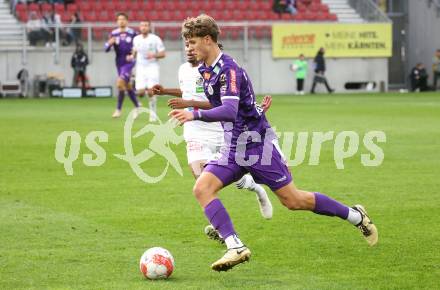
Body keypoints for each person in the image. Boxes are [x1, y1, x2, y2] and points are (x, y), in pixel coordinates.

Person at [169, 14, 378, 272]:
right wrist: (235, 106)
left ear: (208, 40)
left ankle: (355, 215)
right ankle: (235, 246)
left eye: (192, 42)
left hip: (258, 146)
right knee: (202, 188)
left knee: (293, 201)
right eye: (186, 43)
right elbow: (222, 104)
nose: (188, 48)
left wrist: (194, 113)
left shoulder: (229, 69)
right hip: (234, 147)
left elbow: (229, 111)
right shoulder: (206, 70)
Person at [152, 41, 273, 227]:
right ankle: (219, 225)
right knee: (201, 179)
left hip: (219, 128)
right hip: (194, 130)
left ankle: (257, 189)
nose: (189, 50)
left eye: (193, 46)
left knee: (230, 175)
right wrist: (165, 91)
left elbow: (221, 104)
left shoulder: (214, 70)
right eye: (186, 46)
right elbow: (187, 91)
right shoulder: (183, 69)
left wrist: (189, 104)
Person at [104, 12, 141, 119]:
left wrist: (133, 54)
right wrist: (110, 43)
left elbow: (138, 47)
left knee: (120, 83)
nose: (121, 21)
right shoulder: (113, 33)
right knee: (127, 85)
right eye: (119, 19)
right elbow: (106, 48)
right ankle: (137, 106)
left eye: (123, 19)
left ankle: (118, 109)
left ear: (127, 21)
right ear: (117, 21)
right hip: (119, 63)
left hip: (129, 62)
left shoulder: (133, 33)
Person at [128, 21, 165, 122]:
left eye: (146, 26)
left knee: (150, 91)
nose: (144, 27)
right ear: (140, 27)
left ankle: (152, 113)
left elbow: (163, 54)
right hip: (140, 68)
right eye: (142, 26)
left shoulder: (155, 39)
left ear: (149, 27)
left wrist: (153, 55)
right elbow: (134, 52)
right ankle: (138, 105)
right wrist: (131, 56)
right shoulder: (136, 39)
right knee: (140, 92)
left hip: (152, 67)